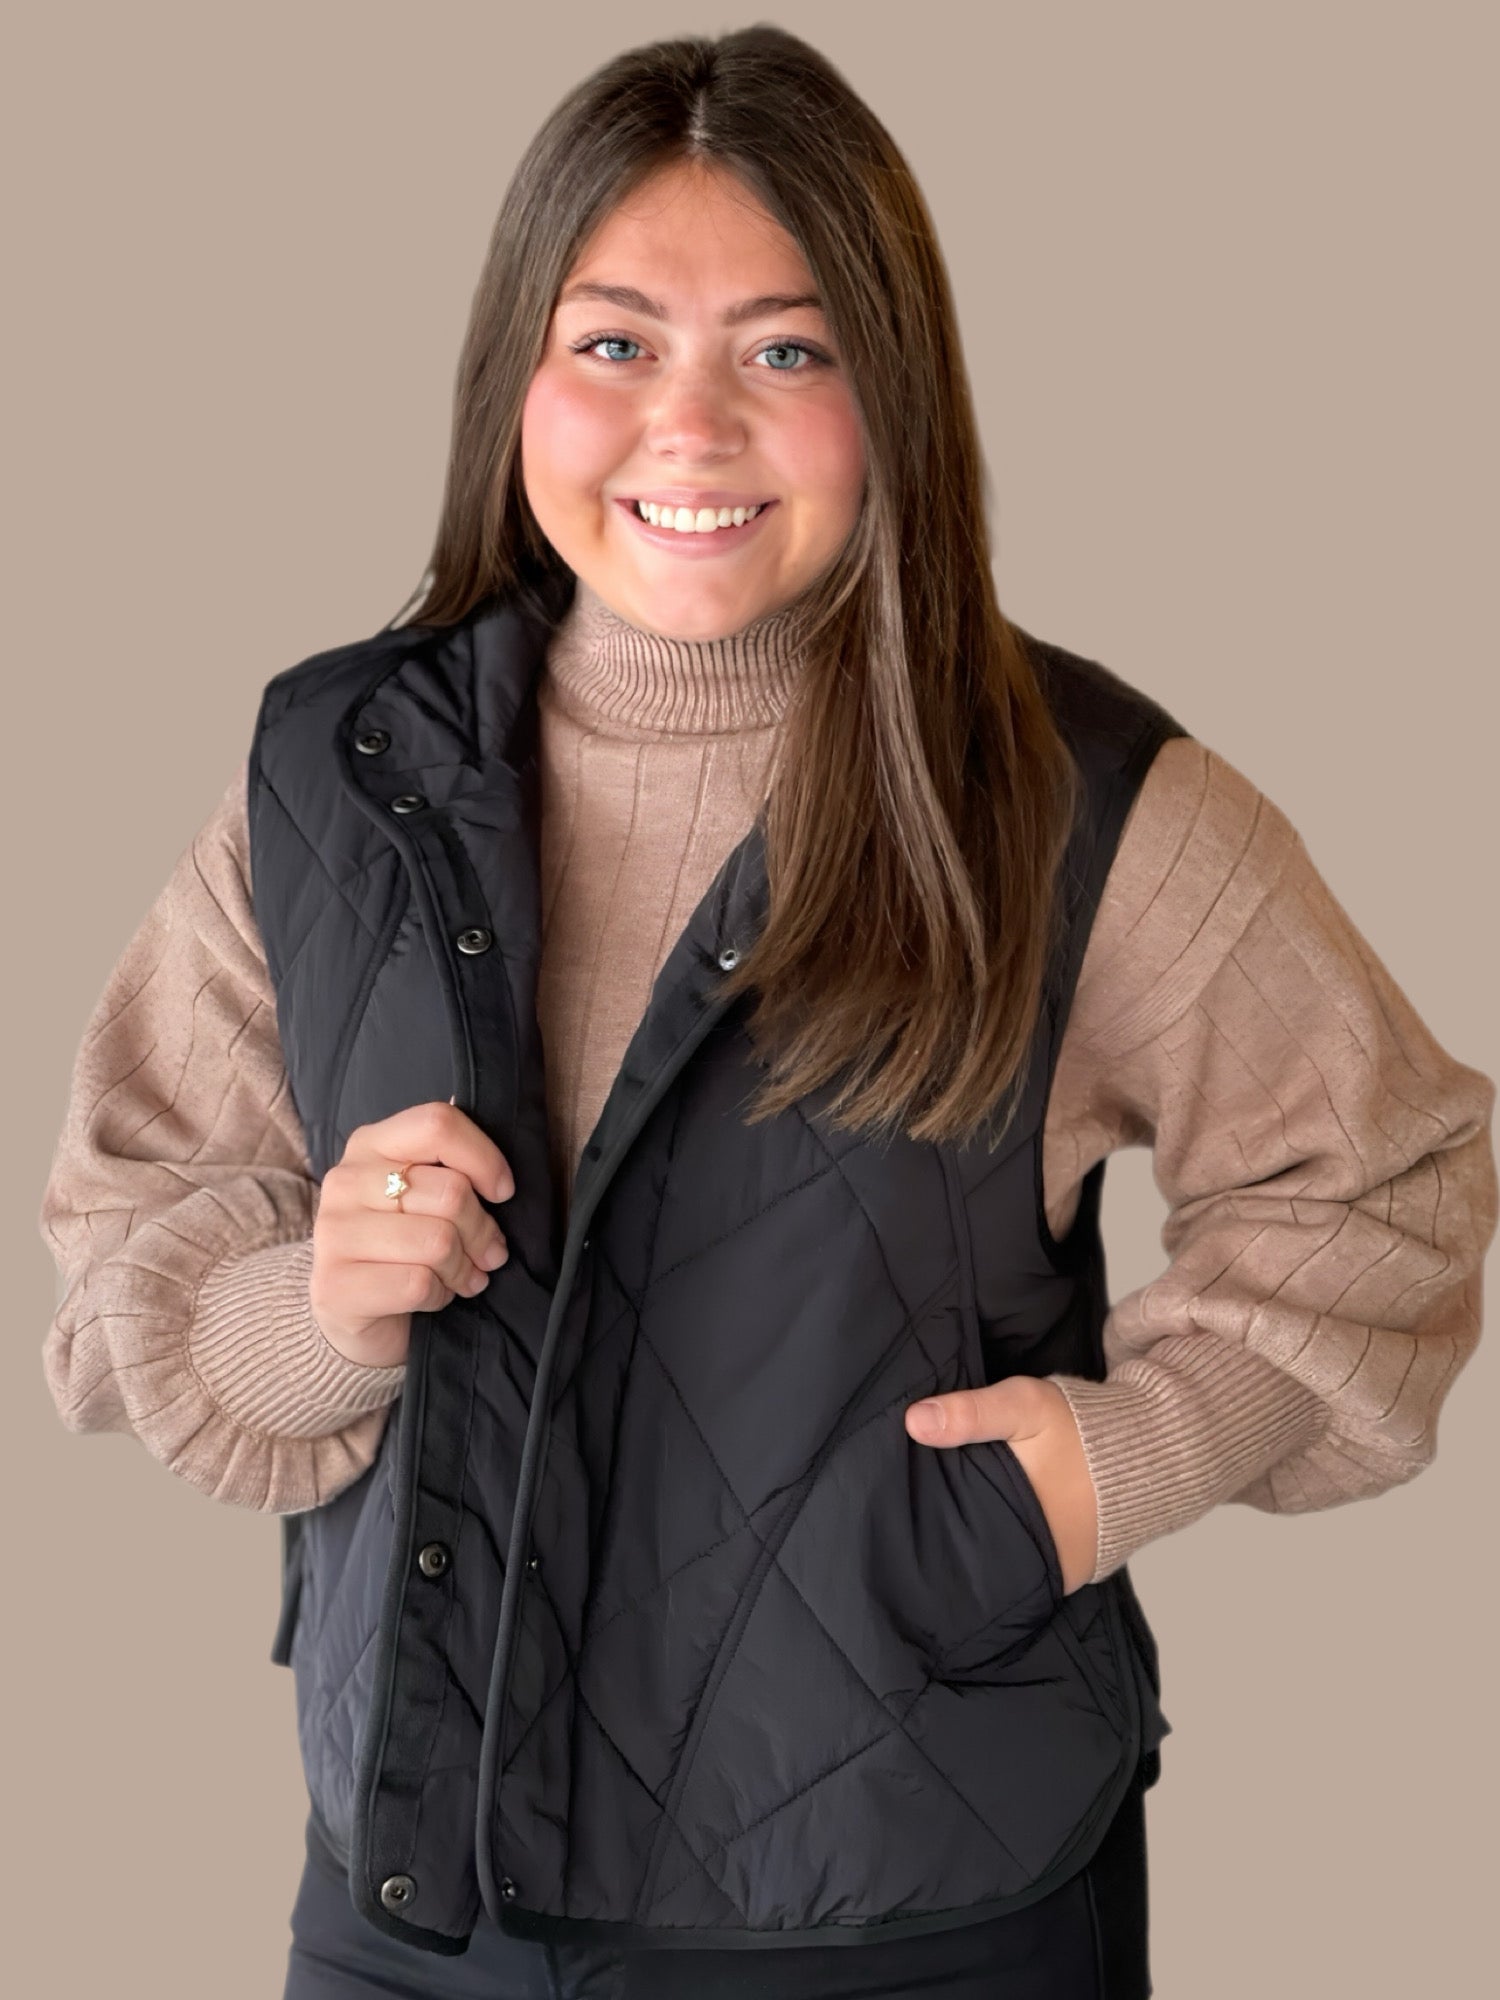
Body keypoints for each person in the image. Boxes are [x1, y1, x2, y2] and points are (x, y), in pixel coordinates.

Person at [37, 24, 1496, 2000]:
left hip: (919, 1921)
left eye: (788, 351)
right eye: (615, 341)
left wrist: (1116, 1461)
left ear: (893, 393)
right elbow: (126, 1229)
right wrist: (315, 1311)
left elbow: (1391, 1185)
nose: (692, 425)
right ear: (517, 378)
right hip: (415, 1924)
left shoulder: (1067, 802)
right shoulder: (333, 778)